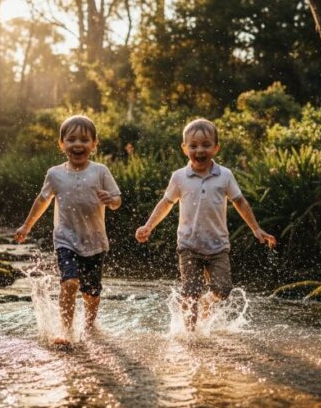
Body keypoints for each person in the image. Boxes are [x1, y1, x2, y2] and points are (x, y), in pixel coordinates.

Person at [135, 118, 276, 331]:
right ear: (184, 149)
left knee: (223, 289)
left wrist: (256, 228)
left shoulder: (225, 176)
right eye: (193, 146)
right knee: (190, 292)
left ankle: (206, 303)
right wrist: (149, 226)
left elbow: (240, 202)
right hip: (188, 246)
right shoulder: (179, 177)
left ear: (216, 148)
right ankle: (190, 334)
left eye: (206, 145)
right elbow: (166, 203)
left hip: (218, 246)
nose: (199, 150)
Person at [14, 115, 122, 346]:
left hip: (94, 241)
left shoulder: (100, 171)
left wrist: (110, 199)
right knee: (70, 282)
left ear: (94, 144)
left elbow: (117, 200)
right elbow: (42, 201)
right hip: (65, 239)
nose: (77, 144)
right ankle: (65, 331)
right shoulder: (55, 174)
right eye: (71, 139)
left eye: (84, 139)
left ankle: (90, 326)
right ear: (61, 143)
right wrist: (26, 226)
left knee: (91, 293)